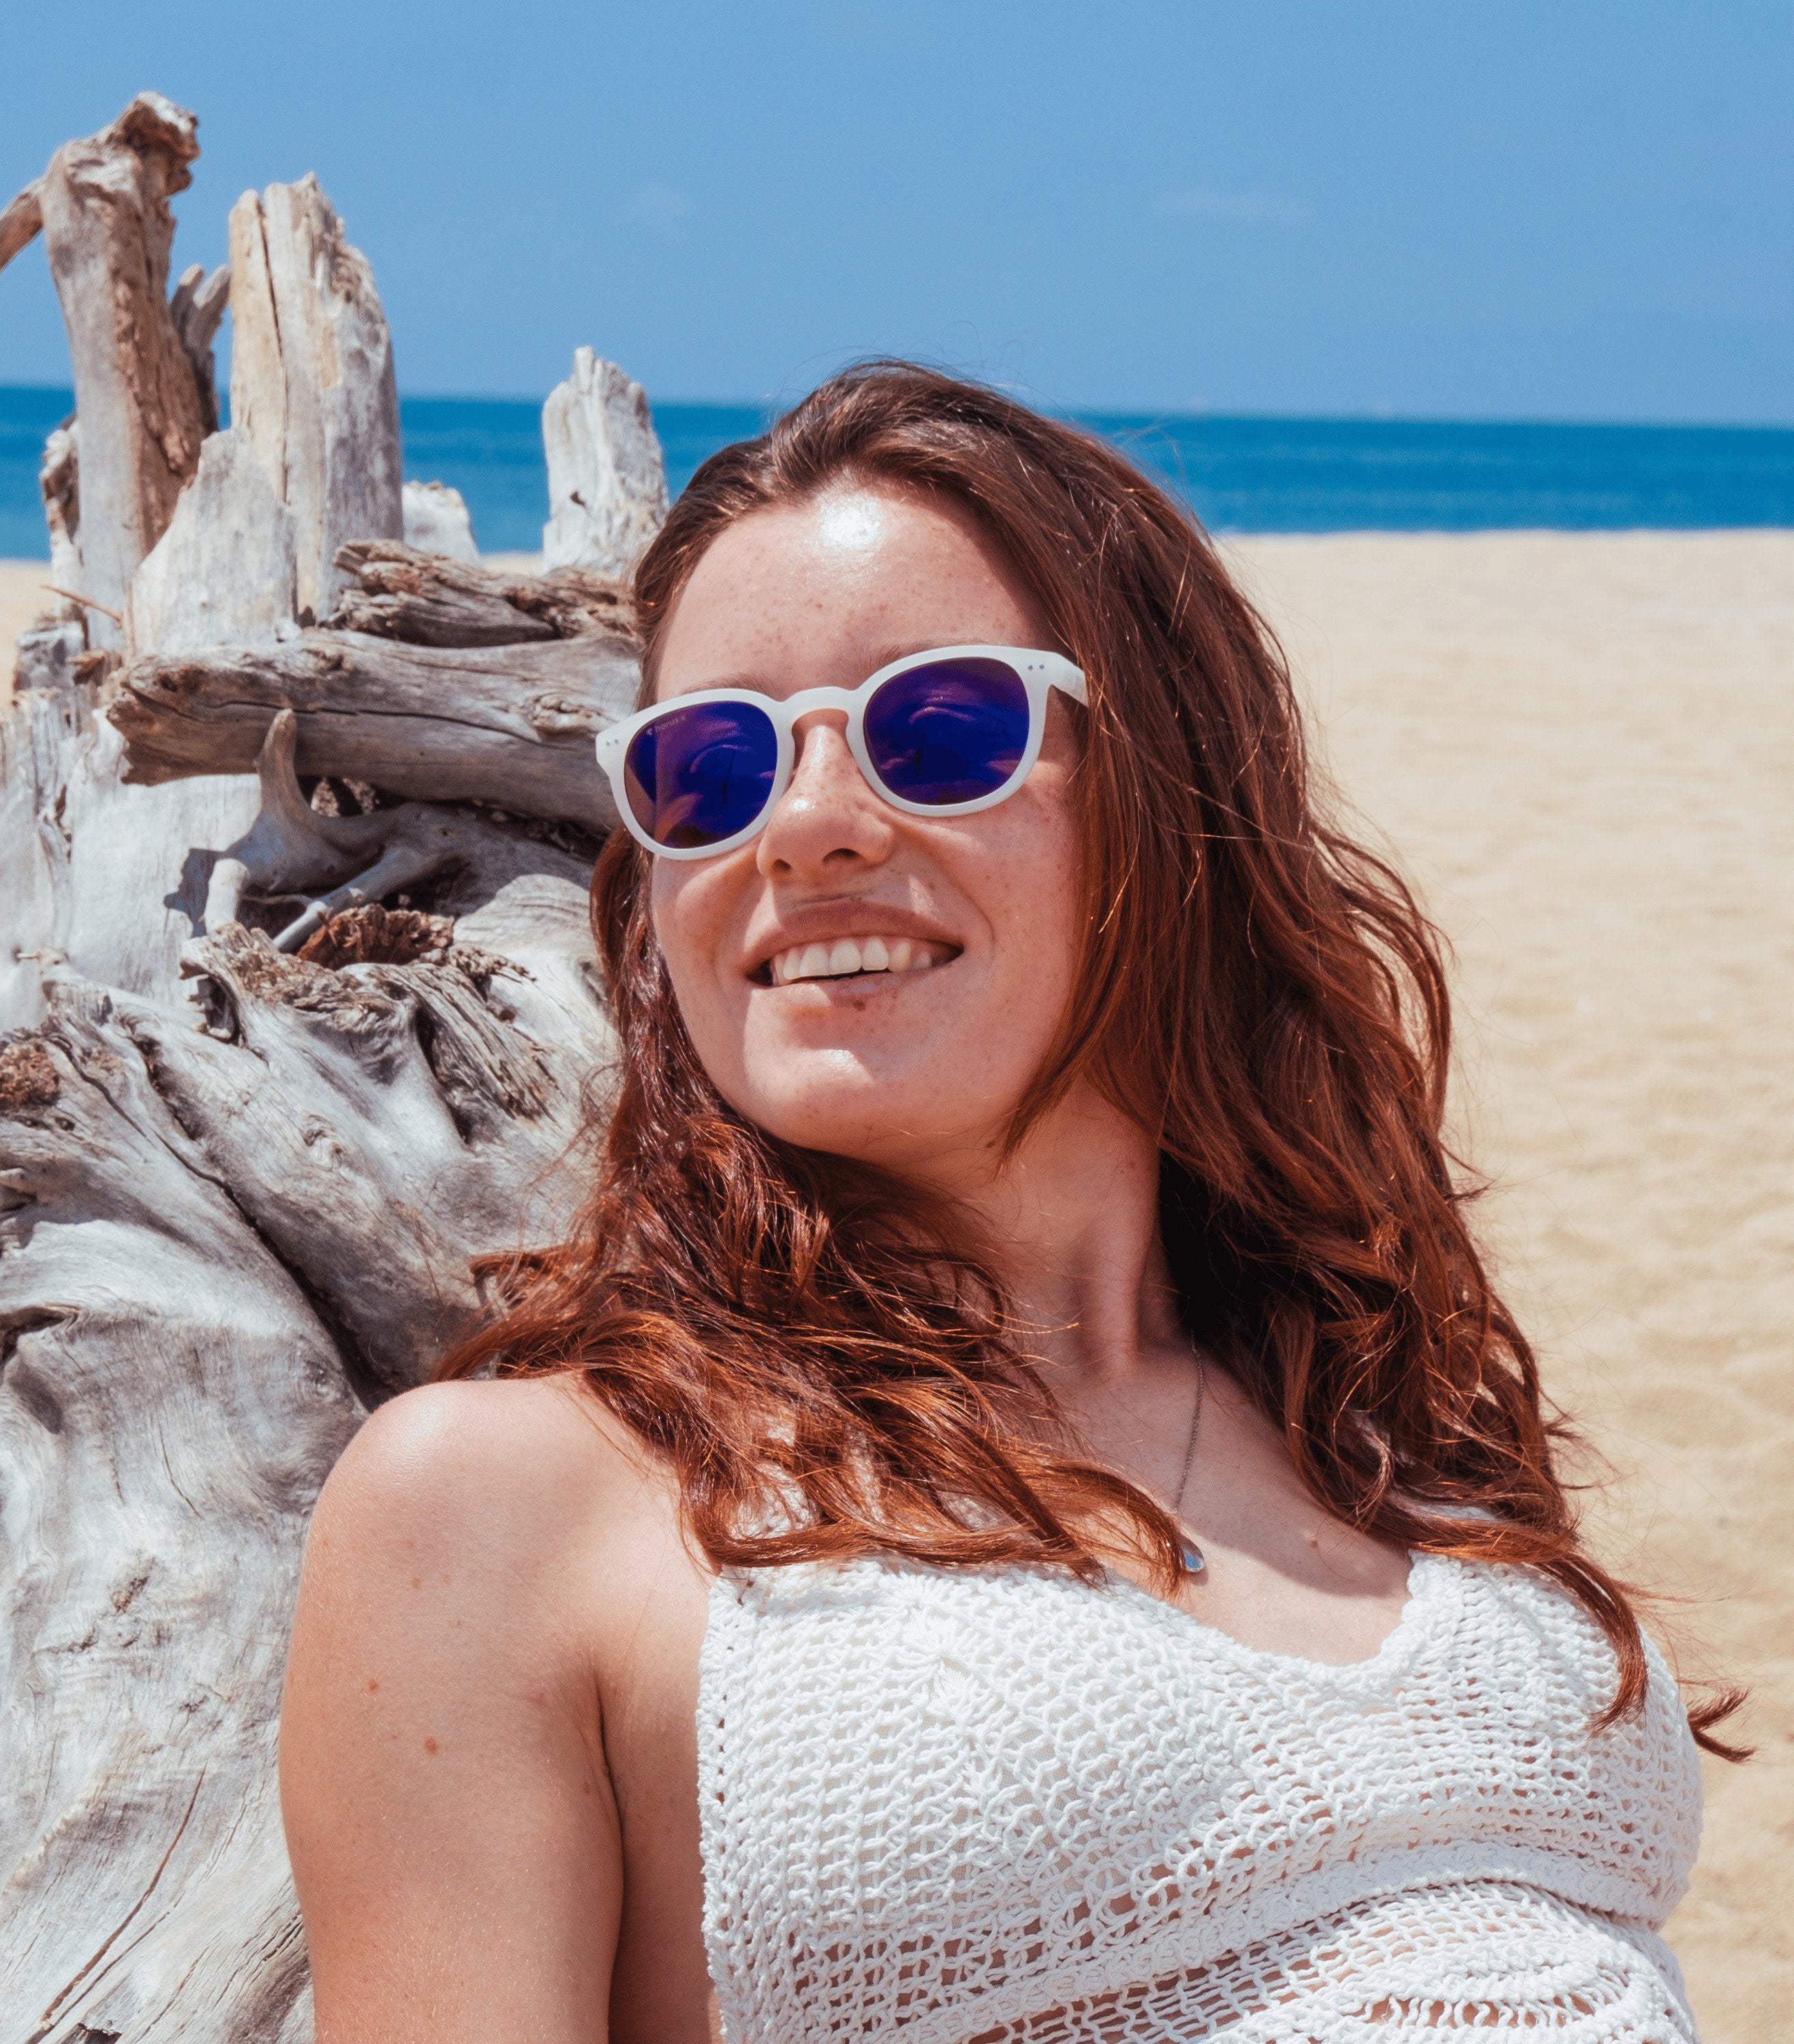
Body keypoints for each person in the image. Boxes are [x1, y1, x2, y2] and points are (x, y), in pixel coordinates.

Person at [280, 364, 1735, 2042]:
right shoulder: (517, 1505)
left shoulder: (1356, 1397)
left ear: (1172, 797)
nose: (810, 824)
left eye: (941, 727)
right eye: (708, 767)